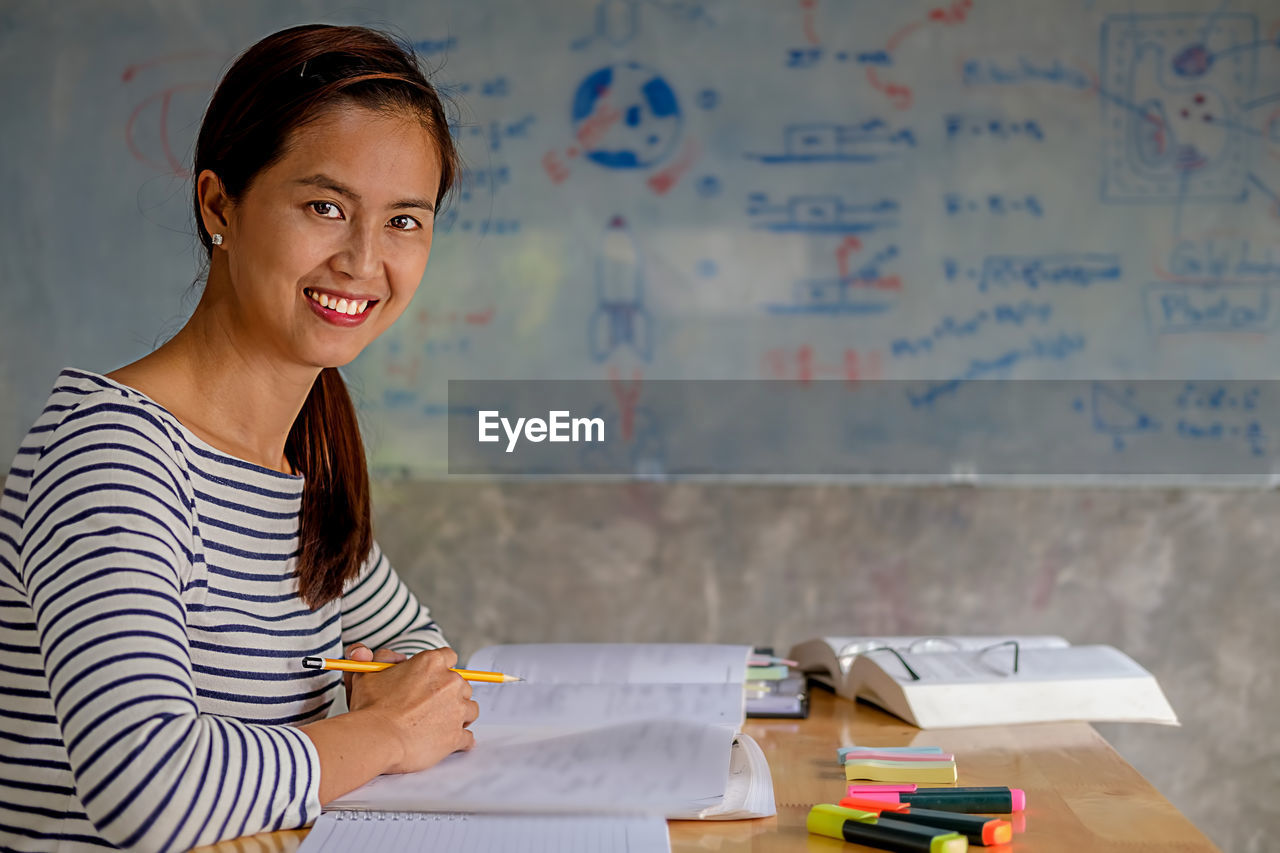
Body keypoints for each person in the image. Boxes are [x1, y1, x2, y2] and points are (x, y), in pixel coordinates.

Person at [0, 24, 479, 852]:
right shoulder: (112, 456)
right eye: (324, 207)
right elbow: (150, 790)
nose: (364, 260)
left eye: (405, 221)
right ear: (220, 204)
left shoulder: (299, 459)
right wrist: (383, 736)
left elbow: (421, 661)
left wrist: (379, 716)